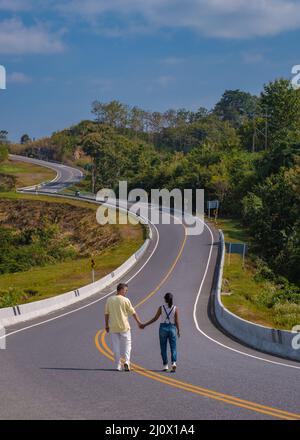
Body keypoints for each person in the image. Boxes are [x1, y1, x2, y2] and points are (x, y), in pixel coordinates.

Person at [105, 283, 143, 372]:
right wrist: (139, 322)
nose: (126, 292)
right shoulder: (126, 300)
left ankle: (118, 365)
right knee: (127, 344)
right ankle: (126, 362)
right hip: (124, 327)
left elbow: (106, 314)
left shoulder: (109, 299)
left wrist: (106, 325)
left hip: (113, 327)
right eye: (125, 290)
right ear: (121, 290)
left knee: (116, 346)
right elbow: (133, 312)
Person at [141, 293, 180, 373]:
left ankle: (165, 365)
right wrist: (178, 330)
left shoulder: (161, 308)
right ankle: (174, 363)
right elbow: (176, 321)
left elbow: (155, 318)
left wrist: (145, 324)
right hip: (172, 328)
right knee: (173, 347)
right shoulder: (175, 308)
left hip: (163, 328)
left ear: (165, 299)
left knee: (163, 347)